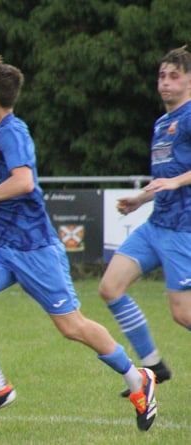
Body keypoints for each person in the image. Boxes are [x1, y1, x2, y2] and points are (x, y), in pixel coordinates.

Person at [0, 55, 157, 431]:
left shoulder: (14, 132)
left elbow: (23, 182)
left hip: (34, 248)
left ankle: (137, 378)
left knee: (72, 327)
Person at [99, 45, 191, 397]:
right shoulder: (162, 123)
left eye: (174, 77)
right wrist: (141, 198)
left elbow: (176, 177)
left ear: (189, 81)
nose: (165, 83)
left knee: (183, 315)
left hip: (183, 228)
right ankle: (153, 365)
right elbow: (165, 178)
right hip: (156, 224)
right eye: (161, 77)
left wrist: (177, 181)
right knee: (109, 287)